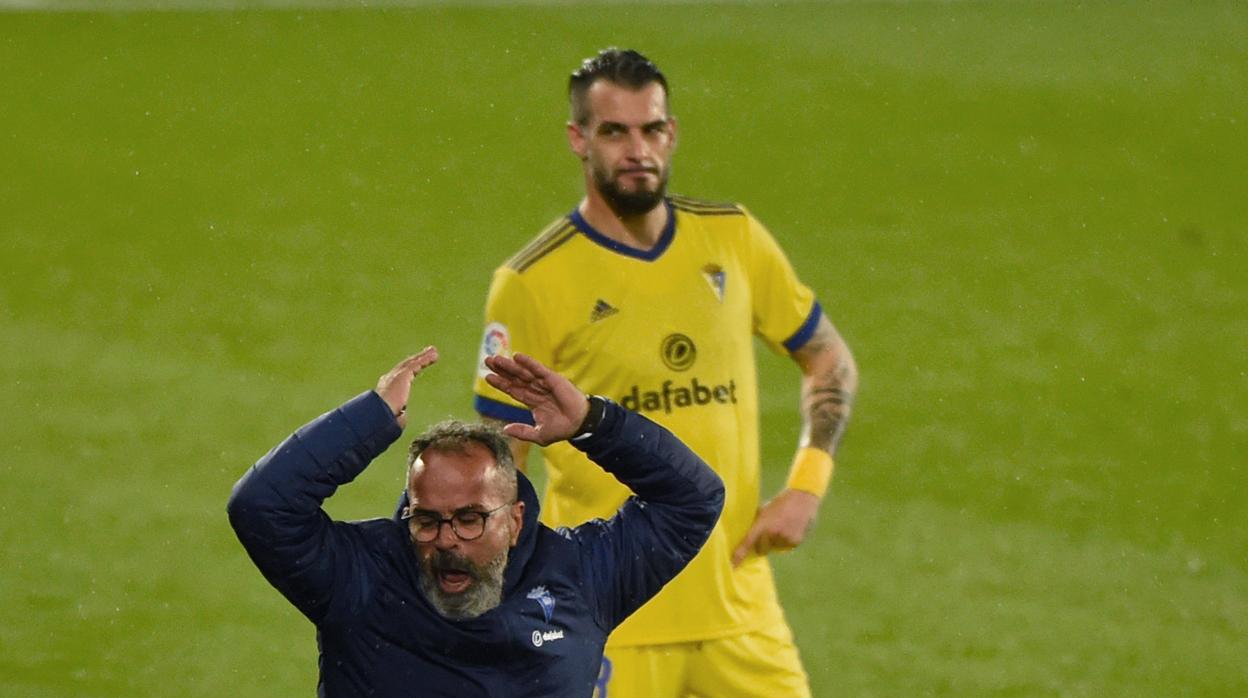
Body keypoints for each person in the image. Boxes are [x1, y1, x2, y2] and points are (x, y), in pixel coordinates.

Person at [471, 48, 858, 696]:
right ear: (579, 140)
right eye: (614, 131)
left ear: (671, 133)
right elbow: (499, 457)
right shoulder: (531, 281)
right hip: (610, 617)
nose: (637, 149)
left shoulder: (733, 239)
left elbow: (827, 357)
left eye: (651, 129)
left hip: (738, 607)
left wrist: (806, 486)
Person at [228, 346, 724, 697]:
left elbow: (693, 499)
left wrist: (595, 424)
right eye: (426, 521)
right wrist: (371, 418)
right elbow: (261, 507)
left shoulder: (582, 577)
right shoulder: (360, 576)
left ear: (514, 519)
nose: (446, 542)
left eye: (470, 519)